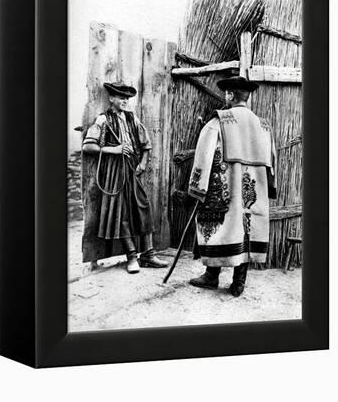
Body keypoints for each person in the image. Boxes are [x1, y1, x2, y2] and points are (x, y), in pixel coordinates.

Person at [188, 76, 277, 296]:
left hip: (225, 187)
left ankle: (211, 276)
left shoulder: (218, 121)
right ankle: (239, 282)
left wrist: (197, 187)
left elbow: (203, 155)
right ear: (247, 97)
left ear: (229, 95)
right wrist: (270, 187)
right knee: (248, 230)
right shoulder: (263, 125)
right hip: (254, 190)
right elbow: (272, 161)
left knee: (221, 228)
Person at [82, 82, 168, 274]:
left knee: (143, 207)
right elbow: (88, 146)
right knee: (121, 214)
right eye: (121, 97)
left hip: (131, 169)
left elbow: (146, 144)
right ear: (111, 99)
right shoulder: (103, 120)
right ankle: (131, 257)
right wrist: (115, 149)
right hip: (114, 172)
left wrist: (143, 163)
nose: (125, 101)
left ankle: (149, 254)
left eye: (127, 98)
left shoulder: (132, 118)